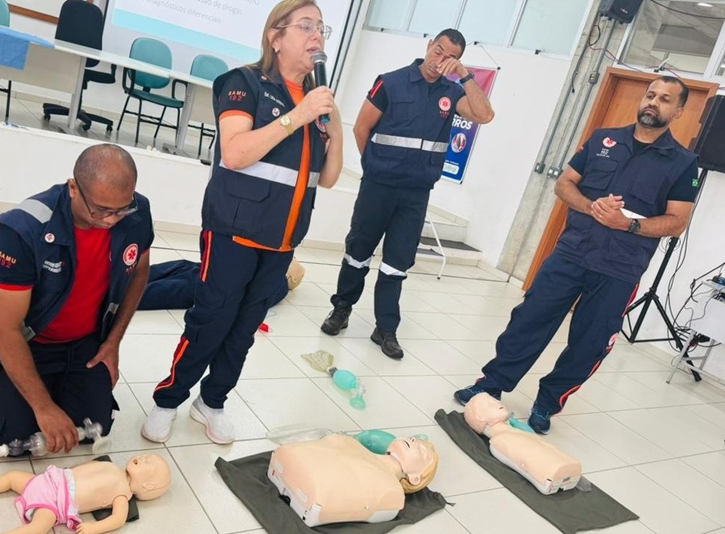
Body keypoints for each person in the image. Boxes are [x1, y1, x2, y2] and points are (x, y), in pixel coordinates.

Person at [141, 0, 343, 445]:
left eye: (322, 29)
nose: (317, 37)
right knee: (212, 319)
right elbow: (234, 153)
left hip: (282, 240)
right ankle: (168, 399)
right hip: (233, 229)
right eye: (306, 26)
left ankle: (212, 402)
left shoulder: (315, 102)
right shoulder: (244, 83)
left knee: (244, 330)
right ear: (276, 35)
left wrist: (334, 121)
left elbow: (327, 178)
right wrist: (300, 115)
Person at [455, 76, 700, 434]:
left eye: (664, 99)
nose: (653, 102)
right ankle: (491, 384)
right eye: (650, 95)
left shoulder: (682, 163)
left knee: (590, 342)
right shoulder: (604, 139)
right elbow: (564, 183)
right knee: (529, 320)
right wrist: (591, 207)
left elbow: (677, 221)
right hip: (571, 253)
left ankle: (547, 403)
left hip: (620, 268)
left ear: (678, 111)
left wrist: (626, 225)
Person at [0, 144, 153, 454]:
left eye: (121, 209)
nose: (111, 220)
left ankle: (52, 385)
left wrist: (112, 343)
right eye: (101, 209)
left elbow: (140, 274)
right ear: (73, 188)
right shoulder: (24, 230)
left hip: (82, 343)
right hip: (27, 341)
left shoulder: (137, 212)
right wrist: (44, 407)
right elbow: (4, 329)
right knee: (13, 436)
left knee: (95, 427)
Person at [320, 28, 494, 360]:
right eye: (438, 50)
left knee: (397, 262)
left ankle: (385, 328)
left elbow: (485, 115)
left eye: (449, 57)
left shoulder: (451, 92)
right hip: (379, 186)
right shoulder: (392, 81)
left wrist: (465, 75)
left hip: (415, 193)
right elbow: (361, 127)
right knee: (358, 250)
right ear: (429, 46)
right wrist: (372, 166)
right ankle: (341, 308)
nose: (440, 59)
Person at [0, 454, 170, 534]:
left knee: (38, 527)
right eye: (146, 456)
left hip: (54, 504)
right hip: (47, 480)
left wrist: (94, 528)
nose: (143, 457)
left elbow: (118, 520)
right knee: (12, 477)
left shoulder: (123, 495)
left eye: (149, 463)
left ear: (149, 485)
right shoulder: (110, 465)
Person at [268, 434, 438, 526]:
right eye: (414, 439)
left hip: (309, 490)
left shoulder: (392, 491)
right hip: (299, 473)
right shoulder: (350, 444)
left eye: (422, 451)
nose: (414, 440)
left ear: (415, 478)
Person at [464, 392, 581, 495]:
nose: (498, 404)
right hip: (551, 474)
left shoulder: (510, 434)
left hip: (561, 469)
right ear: (479, 417)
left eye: (495, 400)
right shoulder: (499, 441)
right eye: (491, 404)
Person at [137, 256, 305, 311]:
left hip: (216, 286)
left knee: (154, 290)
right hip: (208, 273)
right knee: (156, 276)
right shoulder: (274, 277)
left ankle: (113, 297)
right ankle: (116, 286)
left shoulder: (279, 284)